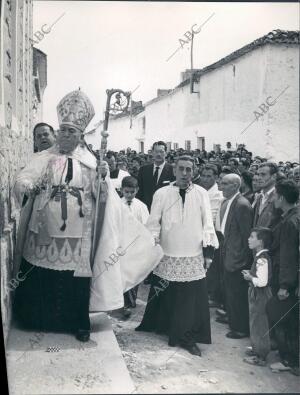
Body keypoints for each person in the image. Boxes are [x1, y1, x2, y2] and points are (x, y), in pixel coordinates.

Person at [13, 89, 108, 342]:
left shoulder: (89, 161)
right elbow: (25, 176)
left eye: (72, 131)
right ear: (57, 133)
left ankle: (77, 324)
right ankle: (37, 319)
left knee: (73, 279)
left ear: (80, 136)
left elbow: (100, 196)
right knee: (42, 276)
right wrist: (24, 184)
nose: (66, 135)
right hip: (43, 228)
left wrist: (102, 177)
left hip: (77, 230)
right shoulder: (44, 157)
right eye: (63, 130)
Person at [136, 156, 219, 357]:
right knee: (167, 294)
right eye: (181, 169)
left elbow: (208, 223)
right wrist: (153, 244)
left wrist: (208, 253)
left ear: (194, 172)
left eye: (189, 170)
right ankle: (163, 326)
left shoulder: (201, 193)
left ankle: (186, 336)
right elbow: (154, 222)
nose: (184, 173)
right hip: (168, 253)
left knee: (189, 299)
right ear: (174, 171)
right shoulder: (162, 193)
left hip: (193, 254)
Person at [266, 180, 299, 375]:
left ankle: (290, 360)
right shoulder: (292, 216)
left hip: (286, 277)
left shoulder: (290, 222)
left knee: (282, 316)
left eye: (275, 195)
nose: (273, 199)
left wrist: (285, 285)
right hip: (291, 276)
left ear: (281, 198)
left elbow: (288, 256)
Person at [216, 174, 253, 339]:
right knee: (229, 291)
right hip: (227, 253)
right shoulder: (227, 201)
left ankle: (240, 328)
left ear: (235, 185)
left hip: (237, 258)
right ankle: (232, 318)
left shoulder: (242, 205)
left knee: (237, 294)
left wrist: (243, 260)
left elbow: (246, 236)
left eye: (224, 183)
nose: (220, 186)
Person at [242, 227, 273, 366]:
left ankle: (260, 356)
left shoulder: (262, 259)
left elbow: (262, 282)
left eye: (252, 237)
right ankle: (256, 347)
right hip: (257, 295)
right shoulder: (260, 257)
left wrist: (249, 277)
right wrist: (251, 273)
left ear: (260, 241)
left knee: (259, 325)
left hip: (260, 295)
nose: (249, 239)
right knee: (255, 322)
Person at [121, 176, 149, 317]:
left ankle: (131, 301)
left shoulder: (141, 206)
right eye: (126, 192)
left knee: (134, 273)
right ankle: (122, 302)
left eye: (132, 192)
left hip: (136, 245)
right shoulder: (118, 205)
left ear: (137, 190)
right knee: (122, 273)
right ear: (122, 190)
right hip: (122, 244)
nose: (129, 195)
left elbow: (146, 226)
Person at [137, 141, 175, 211]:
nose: (158, 154)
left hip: (165, 211)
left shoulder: (173, 170)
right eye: (156, 151)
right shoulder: (143, 170)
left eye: (161, 152)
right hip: (146, 210)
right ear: (152, 153)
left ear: (166, 153)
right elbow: (139, 192)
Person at [253, 162, 278, 227]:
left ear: (274, 176)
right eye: (258, 174)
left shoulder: (279, 197)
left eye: (263, 174)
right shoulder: (259, 196)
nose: (259, 178)